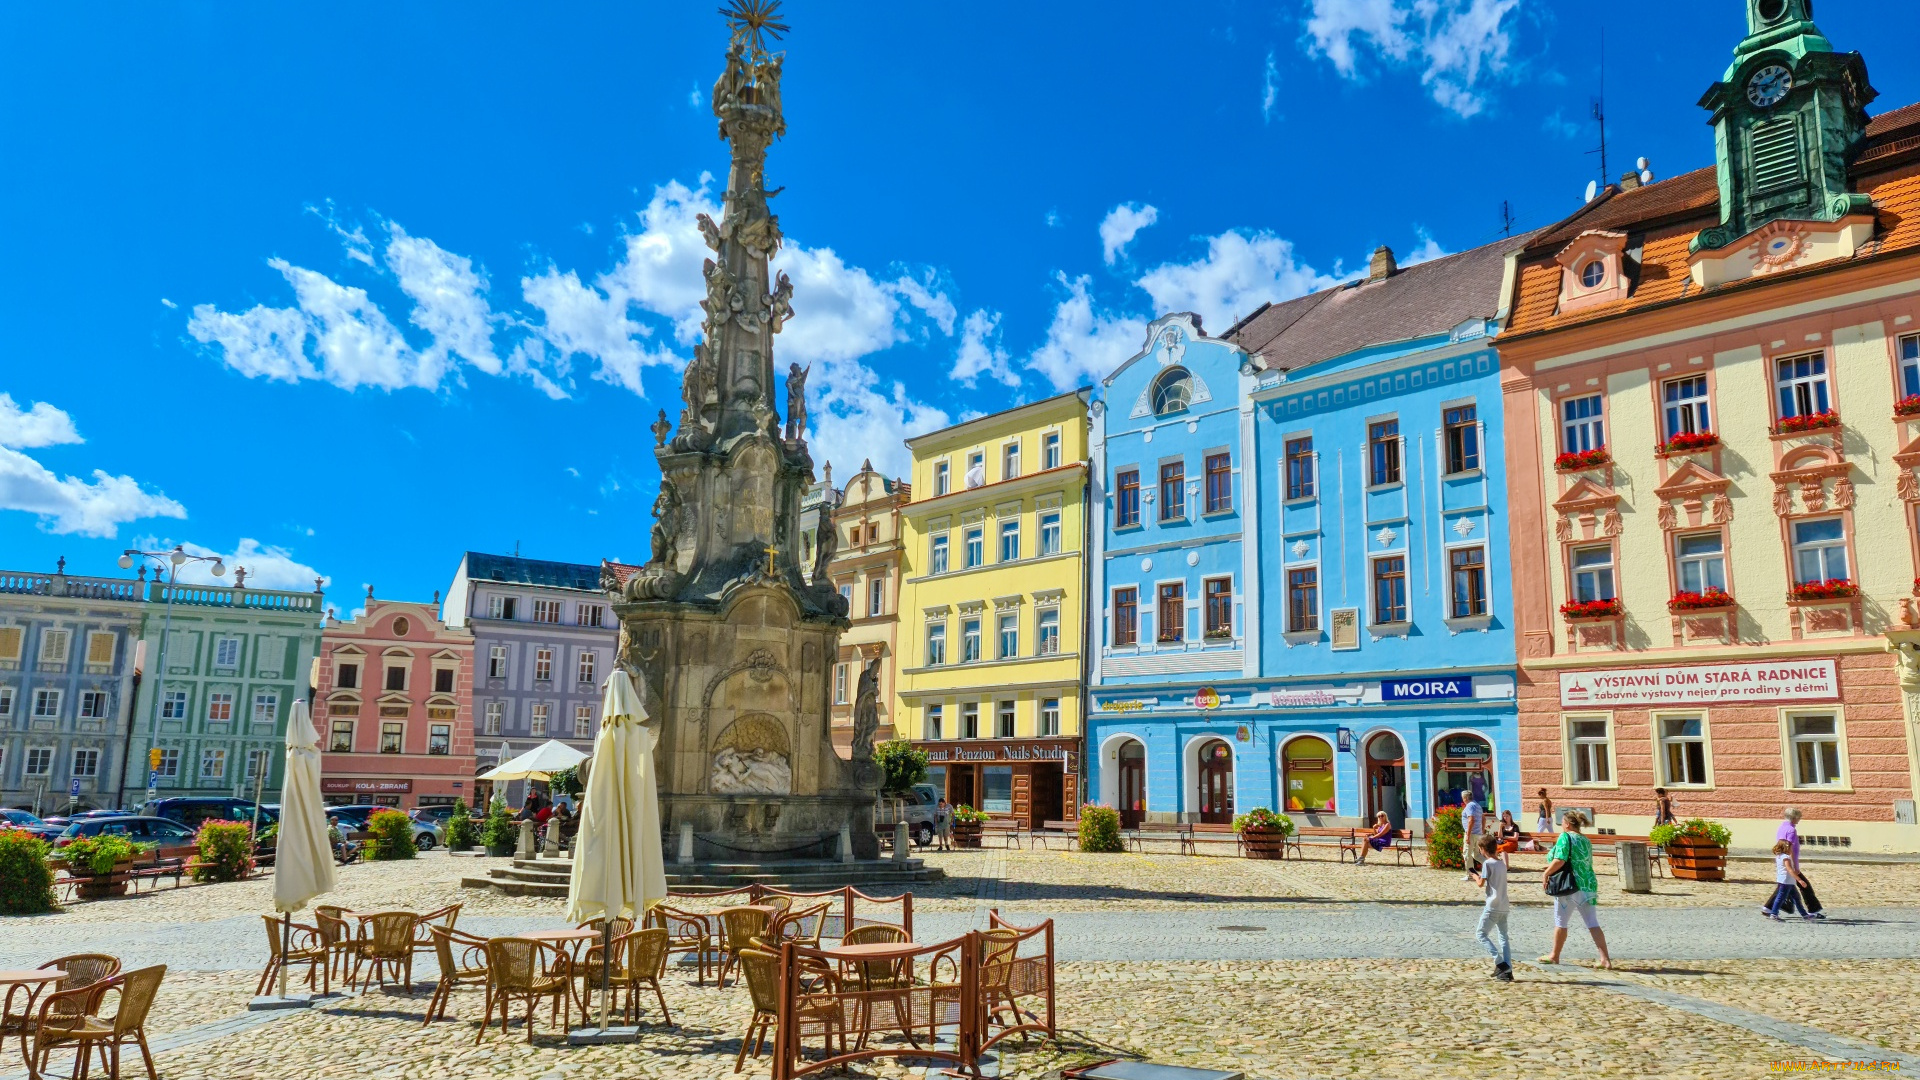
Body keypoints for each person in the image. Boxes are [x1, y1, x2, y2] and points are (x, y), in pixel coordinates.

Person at [1539, 810, 1612, 968]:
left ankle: (1554, 955)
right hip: (1588, 884)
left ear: (1567, 824)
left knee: (1561, 921)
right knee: (1592, 922)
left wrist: (1546, 873)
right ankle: (1605, 959)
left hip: (1570, 885)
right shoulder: (1585, 840)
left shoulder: (1565, 837)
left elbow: (1560, 860)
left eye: (1562, 822)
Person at [1471, 834, 1512, 980]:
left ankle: (1499, 962)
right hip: (1504, 905)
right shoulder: (1501, 864)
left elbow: (1481, 883)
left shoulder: (1487, 864)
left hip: (1492, 905)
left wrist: (1474, 875)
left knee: (1481, 934)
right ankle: (1508, 970)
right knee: (1503, 937)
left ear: (1483, 849)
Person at [1778, 807, 1827, 921]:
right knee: (1805, 886)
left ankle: (1769, 908)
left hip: (1783, 860)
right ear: (1794, 817)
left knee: (1784, 886)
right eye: (1799, 817)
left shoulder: (1782, 827)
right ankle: (1812, 910)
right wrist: (1795, 866)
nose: (1799, 819)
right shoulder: (1791, 830)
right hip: (1789, 863)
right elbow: (1790, 848)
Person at [1760, 839, 1803, 920]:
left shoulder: (1779, 856)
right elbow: (1789, 870)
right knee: (1781, 898)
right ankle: (1774, 914)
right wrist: (1799, 879)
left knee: (1796, 898)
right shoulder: (1786, 858)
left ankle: (1805, 914)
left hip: (1786, 880)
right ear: (1786, 848)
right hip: (1786, 881)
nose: (1792, 850)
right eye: (1791, 848)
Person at [1460, 793, 1486, 881]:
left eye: (1463, 798)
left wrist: (1468, 835)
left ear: (1465, 798)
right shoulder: (1478, 805)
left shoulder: (1469, 806)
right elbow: (1483, 818)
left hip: (1471, 834)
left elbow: (1471, 820)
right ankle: (1490, 864)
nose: (1462, 799)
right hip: (1478, 834)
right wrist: (1482, 830)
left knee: (1467, 854)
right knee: (1476, 854)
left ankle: (1471, 874)